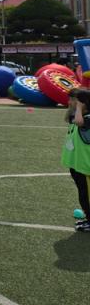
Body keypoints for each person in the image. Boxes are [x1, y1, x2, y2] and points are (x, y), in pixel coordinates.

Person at [62, 88, 90, 232]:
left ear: (83, 103)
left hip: (86, 166)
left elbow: (79, 122)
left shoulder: (87, 118)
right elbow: (69, 118)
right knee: (83, 192)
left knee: (86, 194)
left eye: (73, 100)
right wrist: (75, 106)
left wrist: (79, 106)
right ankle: (88, 216)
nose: (70, 102)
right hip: (77, 164)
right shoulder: (76, 115)